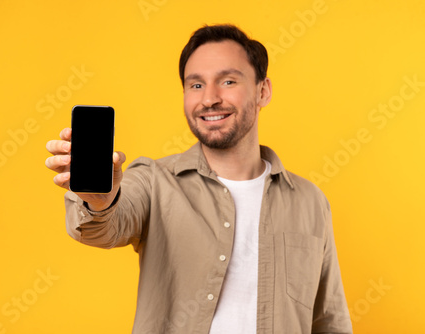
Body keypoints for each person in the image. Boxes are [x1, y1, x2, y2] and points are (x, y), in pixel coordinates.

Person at [45, 24, 353, 334]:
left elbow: (329, 320)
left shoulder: (310, 202)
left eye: (228, 81)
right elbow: (104, 228)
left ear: (263, 91)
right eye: (195, 85)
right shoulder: (154, 181)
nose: (209, 99)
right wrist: (100, 200)